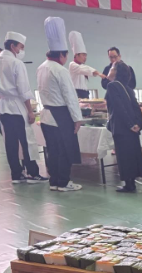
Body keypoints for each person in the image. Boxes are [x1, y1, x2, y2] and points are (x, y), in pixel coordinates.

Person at [37, 17, 83, 192]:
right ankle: (63, 182)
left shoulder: (41, 67)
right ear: (62, 55)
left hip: (46, 114)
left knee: (52, 150)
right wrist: (77, 118)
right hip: (60, 115)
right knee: (64, 149)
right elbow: (70, 96)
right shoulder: (60, 70)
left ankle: (54, 181)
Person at [0, 31, 48, 184]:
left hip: (2, 107)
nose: (22, 50)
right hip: (16, 107)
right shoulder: (16, 63)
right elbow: (23, 90)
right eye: (21, 47)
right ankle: (33, 173)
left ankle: (16, 174)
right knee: (27, 141)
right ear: (13, 46)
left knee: (10, 142)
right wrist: (30, 111)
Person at [105, 61, 142, 193]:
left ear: (116, 72)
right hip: (131, 127)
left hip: (122, 126)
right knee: (132, 154)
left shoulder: (112, 86)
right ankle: (131, 183)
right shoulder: (128, 88)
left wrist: (129, 124)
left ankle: (129, 184)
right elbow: (136, 108)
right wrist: (138, 124)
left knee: (124, 156)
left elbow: (118, 107)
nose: (109, 70)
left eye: (112, 68)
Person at [68, 31, 105, 99]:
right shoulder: (72, 65)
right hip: (76, 93)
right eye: (83, 55)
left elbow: (85, 69)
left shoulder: (82, 66)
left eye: (86, 55)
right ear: (76, 55)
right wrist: (98, 73)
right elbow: (85, 69)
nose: (85, 58)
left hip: (84, 92)